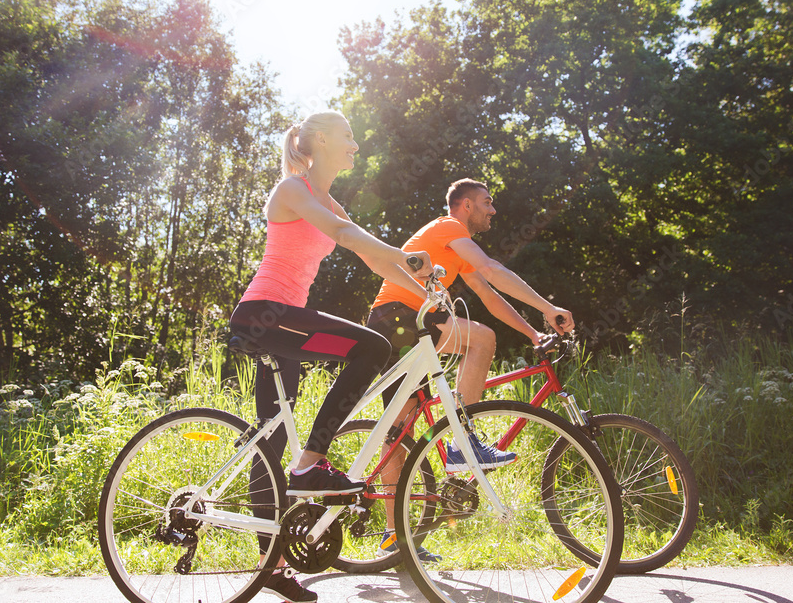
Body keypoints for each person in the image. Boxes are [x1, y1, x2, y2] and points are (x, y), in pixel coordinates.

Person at [228, 110, 431, 602]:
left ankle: (269, 564)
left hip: (283, 322)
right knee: (373, 346)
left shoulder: (332, 201)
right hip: (267, 313)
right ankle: (311, 464)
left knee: (269, 437)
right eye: (349, 137)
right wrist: (406, 259)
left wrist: (423, 293)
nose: (356, 146)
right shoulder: (292, 191)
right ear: (319, 140)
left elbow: (371, 255)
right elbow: (345, 237)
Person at [365, 177, 575, 561]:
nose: (493, 210)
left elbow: (488, 294)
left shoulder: (455, 251)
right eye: (487, 202)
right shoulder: (448, 228)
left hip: (404, 323)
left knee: (401, 428)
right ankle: (462, 441)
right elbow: (493, 269)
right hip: (398, 317)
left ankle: (395, 539)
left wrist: (532, 331)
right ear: (464, 206)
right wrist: (548, 308)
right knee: (481, 339)